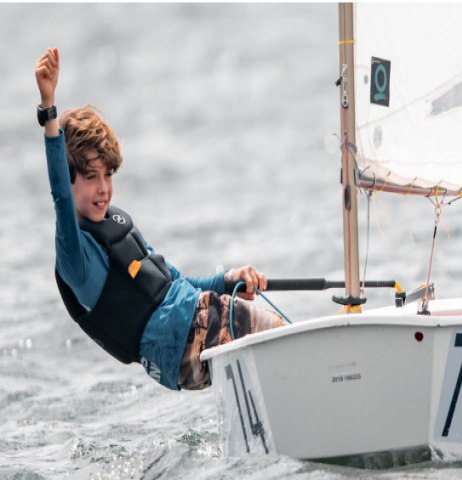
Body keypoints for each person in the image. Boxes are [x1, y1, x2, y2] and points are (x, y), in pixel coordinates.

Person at [35, 48, 285, 390]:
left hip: (197, 323)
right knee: (284, 340)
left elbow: (172, 282)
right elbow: (60, 196)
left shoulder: (117, 225)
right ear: (70, 176)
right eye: (91, 177)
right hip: (185, 339)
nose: (104, 189)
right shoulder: (74, 257)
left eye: (108, 175)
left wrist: (227, 279)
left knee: (275, 359)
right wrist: (48, 108)